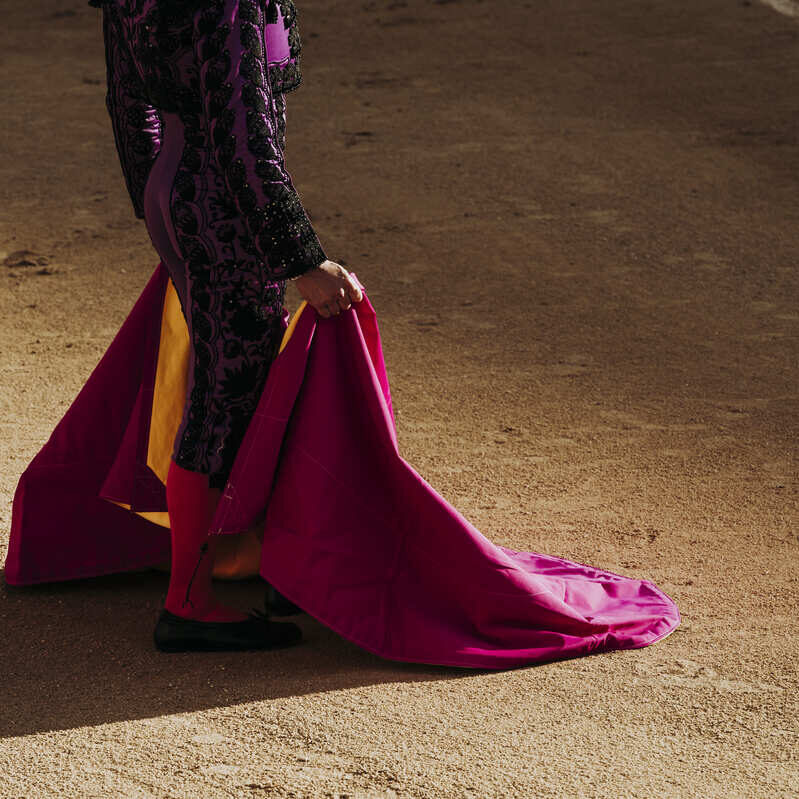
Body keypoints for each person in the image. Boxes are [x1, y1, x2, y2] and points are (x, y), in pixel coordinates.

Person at [88, 0, 362, 651]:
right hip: (221, 202)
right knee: (231, 391)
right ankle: (189, 599)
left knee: (235, 379)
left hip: (178, 189)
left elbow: (126, 102)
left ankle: (269, 564)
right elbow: (244, 136)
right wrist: (301, 257)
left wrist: (163, 206)